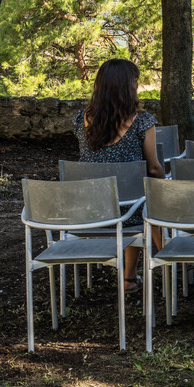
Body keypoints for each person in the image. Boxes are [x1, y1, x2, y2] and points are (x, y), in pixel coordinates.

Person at [73, 58, 165, 292]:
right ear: (128, 86)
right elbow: (154, 168)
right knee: (143, 200)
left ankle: (134, 276)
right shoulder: (142, 121)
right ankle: (158, 265)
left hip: (90, 207)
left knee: (133, 198)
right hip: (128, 212)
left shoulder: (80, 119)